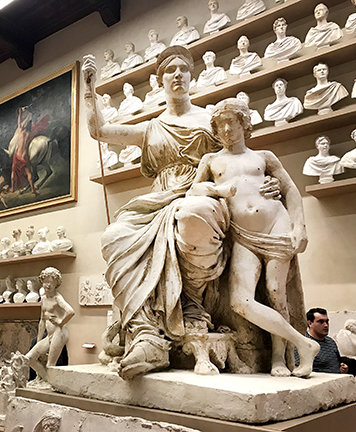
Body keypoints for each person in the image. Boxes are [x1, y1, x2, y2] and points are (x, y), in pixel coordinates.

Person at [82, 46, 281, 379]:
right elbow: (99, 132)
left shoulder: (211, 120)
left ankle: (192, 306)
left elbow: (243, 154)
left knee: (193, 214)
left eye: (183, 69)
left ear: (191, 75)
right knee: (115, 235)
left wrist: (268, 181)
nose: (177, 75)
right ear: (160, 81)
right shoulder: (151, 127)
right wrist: (89, 90)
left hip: (205, 193)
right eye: (169, 71)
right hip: (159, 199)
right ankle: (146, 335)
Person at [189, 98, 319, 377]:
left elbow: (291, 190)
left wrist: (300, 227)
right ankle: (304, 344)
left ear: (244, 124)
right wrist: (217, 191)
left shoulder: (264, 156)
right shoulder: (211, 160)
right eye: (220, 125)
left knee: (276, 294)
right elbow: (193, 192)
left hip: (275, 225)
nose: (226, 129)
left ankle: (279, 359)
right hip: (243, 236)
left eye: (231, 123)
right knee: (240, 301)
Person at [25, 267, 74, 383]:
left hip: (59, 333)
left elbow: (70, 311)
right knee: (29, 358)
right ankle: (46, 380)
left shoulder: (57, 298)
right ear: (42, 282)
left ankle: (50, 384)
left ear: (56, 284)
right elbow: (42, 321)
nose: (48, 285)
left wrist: (61, 322)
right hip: (49, 335)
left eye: (52, 282)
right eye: (46, 282)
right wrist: (38, 341)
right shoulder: (43, 299)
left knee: (50, 365)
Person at [297, 308, 349, 374]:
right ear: (310, 323)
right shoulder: (303, 343)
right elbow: (298, 369)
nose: (326, 325)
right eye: (321, 322)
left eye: (327, 322)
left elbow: (336, 364)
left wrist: (342, 369)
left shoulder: (331, 342)